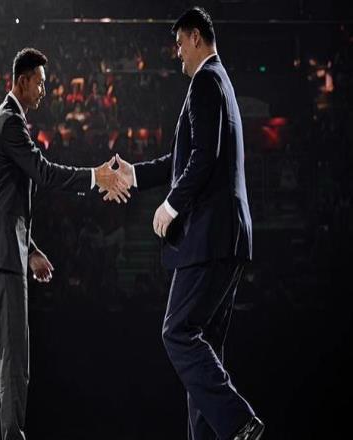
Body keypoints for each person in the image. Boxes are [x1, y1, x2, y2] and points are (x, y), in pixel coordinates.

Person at [0, 47, 129, 440]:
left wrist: (29, 249)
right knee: (14, 359)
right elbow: (44, 173)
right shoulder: (10, 122)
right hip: (2, 256)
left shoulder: (8, 120)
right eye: (41, 83)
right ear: (23, 81)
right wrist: (94, 176)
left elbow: (8, 199)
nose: (45, 91)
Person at [105, 7, 264, 440]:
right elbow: (185, 158)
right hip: (228, 239)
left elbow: (204, 157)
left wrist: (171, 205)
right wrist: (134, 175)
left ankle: (239, 420)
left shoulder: (206, 82)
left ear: (195, 36)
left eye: (179, 44)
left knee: (177, 333)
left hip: (209, 238)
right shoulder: (220, 82)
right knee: (203, 351)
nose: (177, 53)